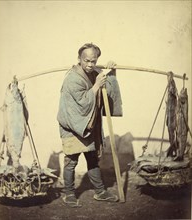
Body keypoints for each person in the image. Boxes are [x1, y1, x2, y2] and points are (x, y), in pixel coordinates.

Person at [57, 43, 122, 207]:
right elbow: (82, 103)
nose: (90, 65)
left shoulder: (94, 73)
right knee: (71, 161)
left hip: (89, 124)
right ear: (79, 59)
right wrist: (96, 86)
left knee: (92, 159)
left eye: (94, 61)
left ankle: (100, 192)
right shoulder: (72, 78)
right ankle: (70, 193)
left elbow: (107, 87)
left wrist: (110, 70)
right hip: (73, 125)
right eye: (86, 61)